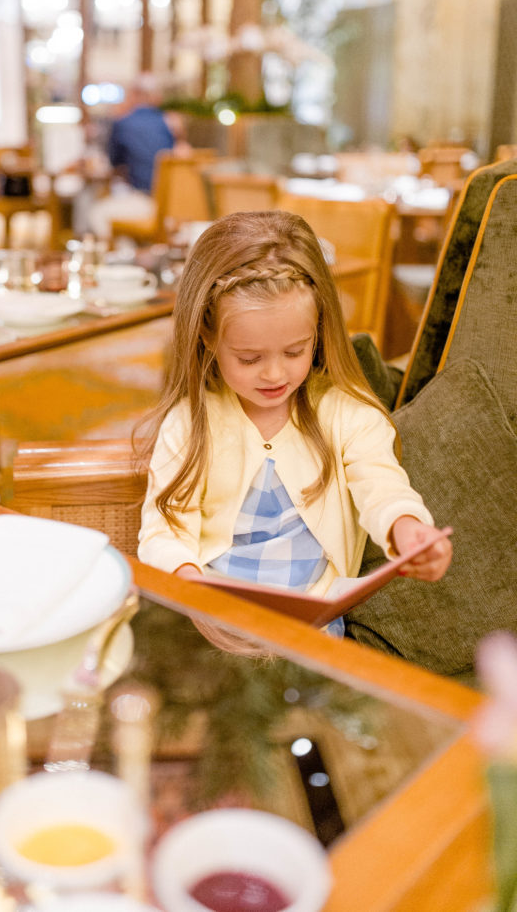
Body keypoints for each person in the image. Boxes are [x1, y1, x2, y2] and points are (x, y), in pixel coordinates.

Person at [137, 210, 452, 636]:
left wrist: (408, 527)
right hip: (214, 617)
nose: (274, 375)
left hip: (312, 624)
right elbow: (164, 529)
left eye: (294, 351)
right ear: (207, 336)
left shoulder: (345, 413)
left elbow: (382, 485)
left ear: (319, 331)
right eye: (249, 358)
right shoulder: (191, 423)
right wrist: (193, 587)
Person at [87, 73, 187, 240]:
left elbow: (113, 162)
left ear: (134, 94)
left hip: (146, 200)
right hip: (173, 205)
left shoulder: (123, 122)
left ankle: (115, 260)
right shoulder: (168, 123)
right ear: (155, 96)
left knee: (96, 213)